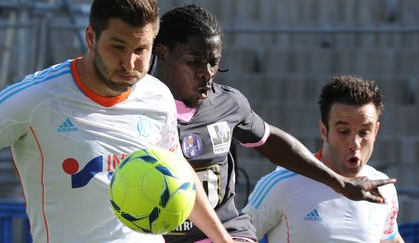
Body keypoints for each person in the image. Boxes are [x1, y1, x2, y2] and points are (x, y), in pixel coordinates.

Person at [0, 0, 244, 242]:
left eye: (140, 50)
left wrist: (223, 240)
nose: (129, 62)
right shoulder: (35, 98)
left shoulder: (157, 96)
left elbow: (180, 175)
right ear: (91, 38)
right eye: (118, 47)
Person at [152, 4, 396, 243]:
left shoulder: (228, 103)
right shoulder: (139, 108)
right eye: (194, 61)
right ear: (162, 52)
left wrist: (340, 184)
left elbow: (272, 142)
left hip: (227, 234)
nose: (207, 73)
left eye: (213, 62)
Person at [243, 75, 405, 243]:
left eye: (364, 132)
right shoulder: (281, 184)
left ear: (376, 131)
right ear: (323, 130)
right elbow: (234, 237)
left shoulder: (383, 188)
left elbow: (392, 239)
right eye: (343, 131)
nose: (354, 143)